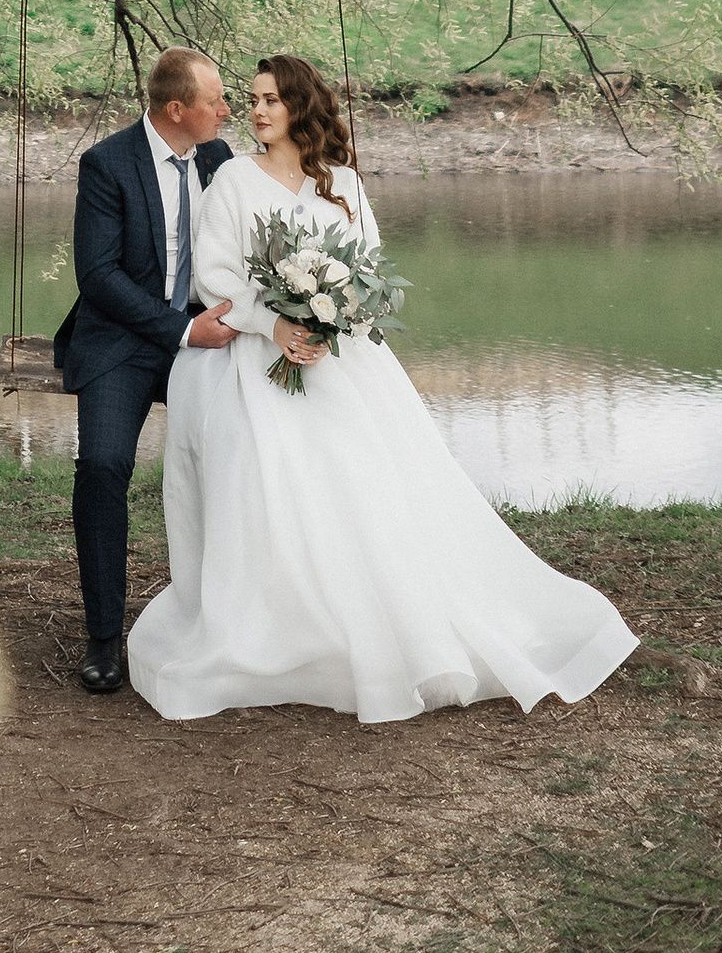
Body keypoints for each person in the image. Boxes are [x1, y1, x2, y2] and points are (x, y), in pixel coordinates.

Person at [127, 51, 637, 725]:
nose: (255, 111)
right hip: (255, 353)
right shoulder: (232, 181)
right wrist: (276, 325)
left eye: (270, 99)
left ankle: (389, 616)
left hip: (339, 356)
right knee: (268, 464)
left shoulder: (342, 182)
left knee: (366, 469)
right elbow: (213, 279)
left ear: (301, 106)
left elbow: (363, 271)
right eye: (250, 99)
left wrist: (333, 317)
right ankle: (275, 622)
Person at [52, 45, 240, 697]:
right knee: (103, 466)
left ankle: (232, 621)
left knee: (251, 449)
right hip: (122, 341)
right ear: (176, 109)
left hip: (204, 335)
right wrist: (181, 329)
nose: (226, 109)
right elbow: (97, 275)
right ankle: (104, 636)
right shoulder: (108, 164)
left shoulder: (219, 159)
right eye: (215, 100)